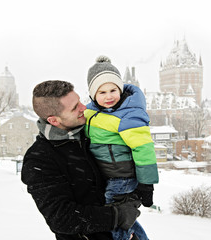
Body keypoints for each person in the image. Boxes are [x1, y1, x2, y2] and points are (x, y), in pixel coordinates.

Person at [21, 80, 142, 240]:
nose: (83, 107)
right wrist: (116, 215)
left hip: (127, 234)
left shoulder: (93, 133)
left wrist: (137, 191)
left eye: (79, 101)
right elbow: (61, 217)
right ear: (54, 121)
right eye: (74, 108)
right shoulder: (39, 159)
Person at [84, 56, 159, 240]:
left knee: (115, 217)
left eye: (113, 90)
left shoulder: (129, 113)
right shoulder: (91, 112)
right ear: (93, 95)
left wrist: (146, 183)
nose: (108, 96)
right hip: (106, 175)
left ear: (121, 89)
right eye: (102, 92)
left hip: (122, 177)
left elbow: (144, 149)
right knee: (126, 218)